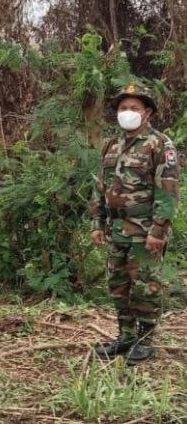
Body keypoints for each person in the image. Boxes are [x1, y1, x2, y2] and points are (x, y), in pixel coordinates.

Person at [90, 82, 179, 364]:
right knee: (118, 284)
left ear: (147, 112)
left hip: (144, 230)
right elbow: (100, 187)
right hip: (116, 230)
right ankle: (125, 335)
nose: (127, 112)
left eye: (134, 108)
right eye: (123, 108)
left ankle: (145, 340)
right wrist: (97, 222)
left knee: (145, 286)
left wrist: (158, 230)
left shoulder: (160, 144)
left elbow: (168, 190)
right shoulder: (111, 145)